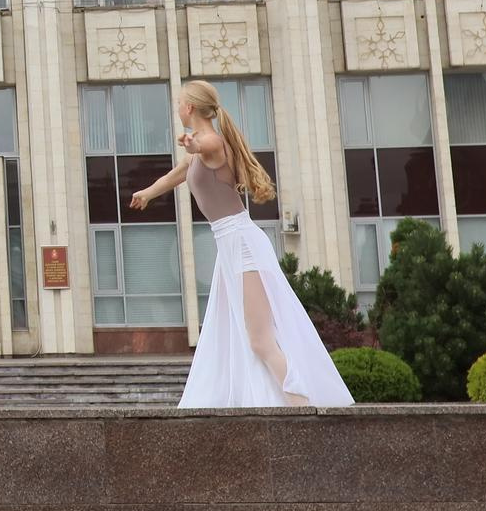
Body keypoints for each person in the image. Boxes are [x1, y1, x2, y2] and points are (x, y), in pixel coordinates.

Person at [133, 80, 352, 409]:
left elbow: (202, 146)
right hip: (230, 247)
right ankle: (271, 401)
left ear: (190, 108)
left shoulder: (213, 143)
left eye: (180, 102)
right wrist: (148, 193)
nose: (177, 108)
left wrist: (191, 142)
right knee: (231, 335)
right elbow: (177, 173)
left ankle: (302, 404)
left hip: (243, 244)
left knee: (260, 339)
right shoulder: (201, 150)